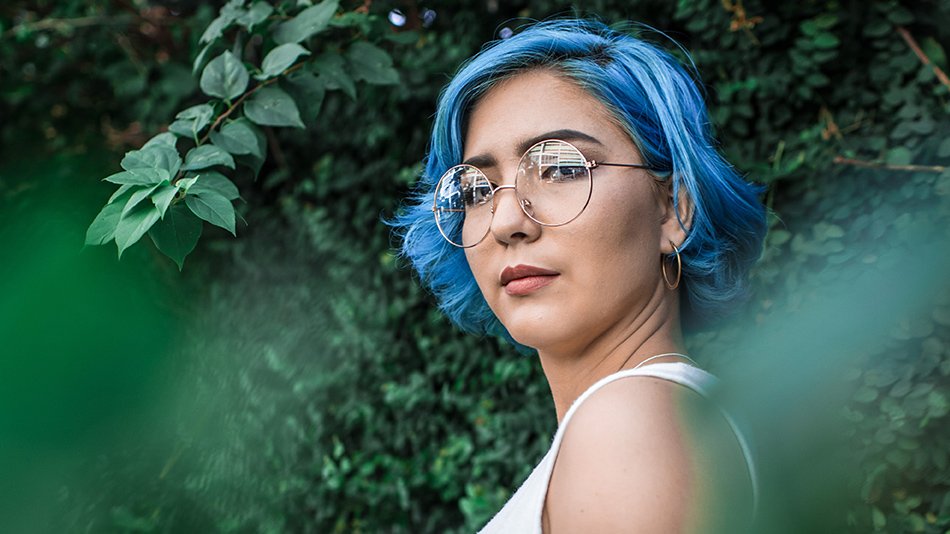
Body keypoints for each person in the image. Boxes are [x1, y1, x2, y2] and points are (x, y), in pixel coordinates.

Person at [392, 18, 767, 533]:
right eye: (478, 189)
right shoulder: (671, 421)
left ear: (673, 210)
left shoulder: (630, 423)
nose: (505, 220)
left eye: (561, 167)